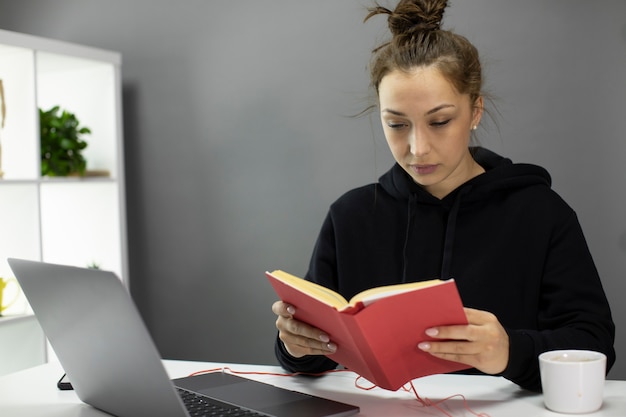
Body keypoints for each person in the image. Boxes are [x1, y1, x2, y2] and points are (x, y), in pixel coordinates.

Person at [271, 0, 615, 392]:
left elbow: (596, 346)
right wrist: (295, 346)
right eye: (396, 124)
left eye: (440, 122)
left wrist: (509, 350)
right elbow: (311, 357)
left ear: (476, 111)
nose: (417, 148)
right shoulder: (350, 215)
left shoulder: (541, 214)